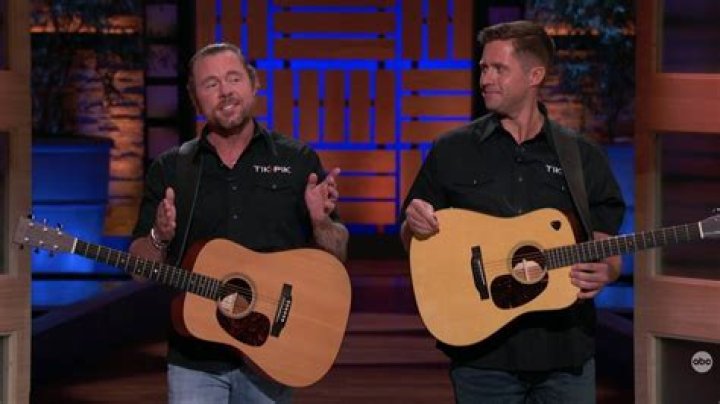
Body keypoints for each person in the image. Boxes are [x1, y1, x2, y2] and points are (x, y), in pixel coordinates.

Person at [400, 21, 625, 403]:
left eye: (498, 69)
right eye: (483, 68)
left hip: (564, 353)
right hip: (482, 357)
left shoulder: (581, 156)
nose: (485, 79)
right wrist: (413, 225)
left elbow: (604, 241)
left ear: (534, 75)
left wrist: (609, 269)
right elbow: (409, 238)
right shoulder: (452, 150)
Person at [129, 42, 348, 403]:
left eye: (233, 78)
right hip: (195, 358)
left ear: (253, 83)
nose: (225, 91)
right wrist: (159, 236)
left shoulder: (296, 160)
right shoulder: (171, 169)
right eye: (211, 84)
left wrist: (320, 222)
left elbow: (337, 254)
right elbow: (139, 269)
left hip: (272, 352)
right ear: (195, 98)